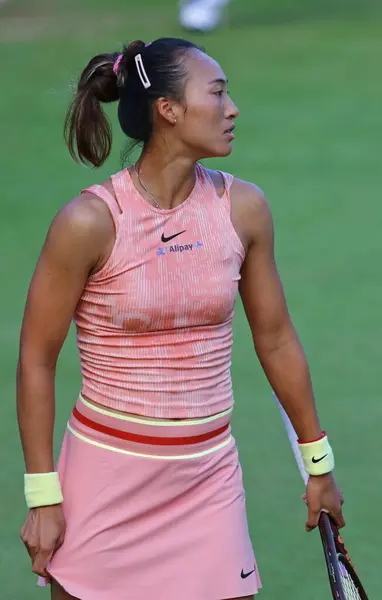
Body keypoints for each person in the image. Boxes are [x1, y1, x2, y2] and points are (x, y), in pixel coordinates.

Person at [17, 37, 344, 600]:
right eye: (217, 93)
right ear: (168, 109)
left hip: (207, 480)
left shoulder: (242, 209)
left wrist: (319, 462)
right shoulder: (90, 222)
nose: (232, 107)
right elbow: (36, 358)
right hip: (105, 485)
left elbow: (276, 339)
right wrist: (43, 495)